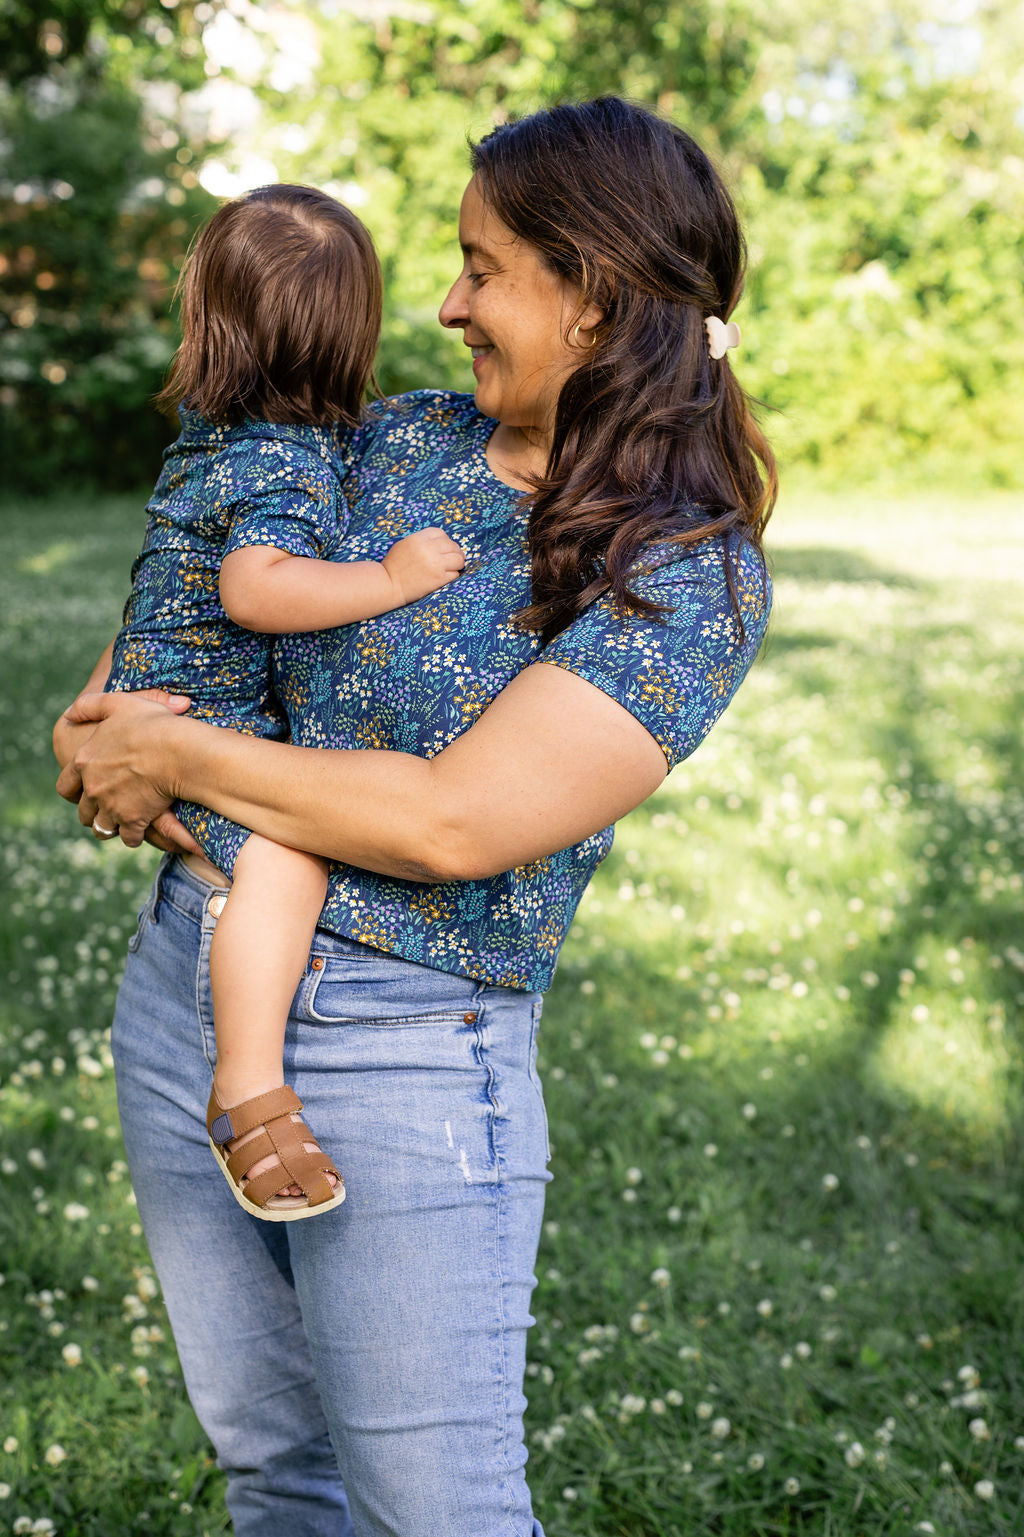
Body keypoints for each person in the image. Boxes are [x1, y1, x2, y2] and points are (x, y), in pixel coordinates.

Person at [55, 97, 775, 1537]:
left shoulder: (680, 573)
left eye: (481, 266)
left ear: (596, 296)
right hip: (185, 991)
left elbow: (453, 824)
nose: (444, 304)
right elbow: (119, 702)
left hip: (405, 1056)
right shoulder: (388, 443)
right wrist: (143, 733)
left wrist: (183, 763)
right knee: (275, 1471)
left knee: (430, 1514)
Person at [101, 182, 465, 1219]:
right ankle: (247, 1087)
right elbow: (253, 586)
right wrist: (392, 579)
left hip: (158, 689)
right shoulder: (281, 458)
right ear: (346, 337)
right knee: (287, 859)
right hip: (194, 717)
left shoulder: (209, 429)